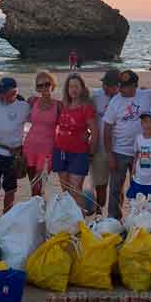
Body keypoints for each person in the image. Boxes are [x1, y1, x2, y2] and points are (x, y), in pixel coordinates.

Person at [102, 70, 151, 220]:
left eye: (125, 86)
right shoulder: (115, 101)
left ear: (135, 85)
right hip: (119, 152)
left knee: (141, 188)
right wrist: (110, 155)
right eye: (119, 85)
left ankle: (141, 218)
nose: (121, 89)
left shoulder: (147, 95)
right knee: (115, 189)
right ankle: (114, 219)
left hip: (143, 152)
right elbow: (107, 129)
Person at [0, 77, 31, 219]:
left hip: (13, 155)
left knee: (10, 190)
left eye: (4, 92)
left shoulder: (24, 106)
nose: (1, 95)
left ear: (15, 92)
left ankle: (6, 219)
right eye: (0, 92)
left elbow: (39, 122)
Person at [53, 72, 97, 212]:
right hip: (60, 151)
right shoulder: (63, 105)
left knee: (75, 189)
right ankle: (71, 222)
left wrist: (90, 152)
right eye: (71, 86)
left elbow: (95, 132)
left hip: (79, 153)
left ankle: (82, 224)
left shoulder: (86, 107)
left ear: (82, 89)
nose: (73, 89)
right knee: (66, 191)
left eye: (76, 86)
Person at [89, 70, 122, 215]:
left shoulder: (127, 97)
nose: (104, 88)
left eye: (108, 85)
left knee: (117, 186)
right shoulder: (95, 96)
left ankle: (117, 216)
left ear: (118, 86)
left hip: (120, 148)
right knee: (100, 185)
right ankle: (99, 212)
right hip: (100, 147)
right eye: (103, 84)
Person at [23, 71, 61, 197]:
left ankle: (40, 211)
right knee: (33, 185)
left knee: (41, 185)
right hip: (30, 147)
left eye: (46, 84)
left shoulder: (59, 105)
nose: (44, 88)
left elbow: (68, 125)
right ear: (36, 88)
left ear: (53, 85)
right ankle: (36, 212)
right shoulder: (32, 101)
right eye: (40, 85)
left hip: (47, 150)